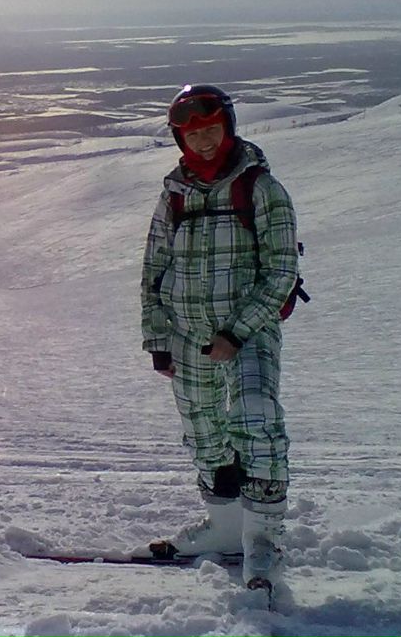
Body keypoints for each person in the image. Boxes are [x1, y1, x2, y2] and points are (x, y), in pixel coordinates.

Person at [139, 84, 299, 589]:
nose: (204, 141)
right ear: (180, 139)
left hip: (248, 331)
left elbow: (282, 272)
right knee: (204, 430)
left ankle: (263, 543)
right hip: (187, 333)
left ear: (227, 126)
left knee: (256, 418)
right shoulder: (175, 194)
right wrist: (157, 338)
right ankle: (226, 529)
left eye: (211, 130)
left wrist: (236, 332)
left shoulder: (260, 188)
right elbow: (154, 268)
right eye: (192, 135)